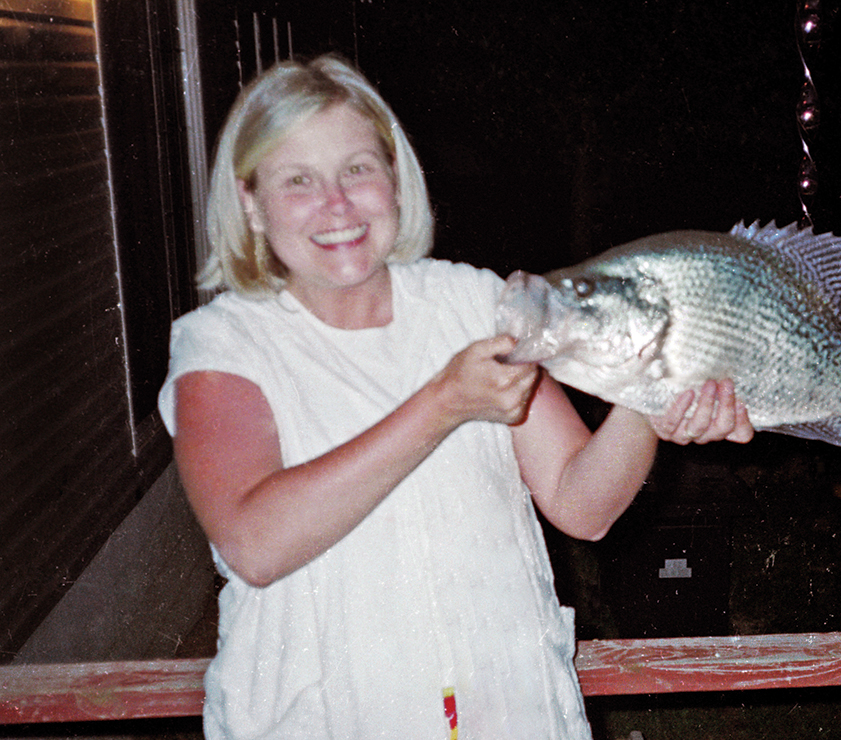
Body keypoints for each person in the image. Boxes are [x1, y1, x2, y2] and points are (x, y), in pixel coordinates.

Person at [158, 54, 753, 740]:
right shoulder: (221, 345)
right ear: (251, 203)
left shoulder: (474, 301)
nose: (338, 204)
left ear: (395, 180)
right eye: (299, 180)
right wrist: (442, 403)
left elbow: (582, 504)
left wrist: (650, 395)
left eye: (357, 168)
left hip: (510, 707)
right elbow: (255, 545)